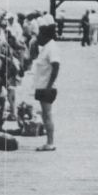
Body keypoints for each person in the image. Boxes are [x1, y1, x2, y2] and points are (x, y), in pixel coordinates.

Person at [34, 16, 61, 151]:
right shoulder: (46, 47)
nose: (38, 36)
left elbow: (56, 66)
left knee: (48, 114)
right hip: (42, 85)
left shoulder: (51, 48)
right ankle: (48, 141)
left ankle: (50, 142)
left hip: (47, 87)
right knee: (45, 114)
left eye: (40, 34)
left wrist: (49, 86)